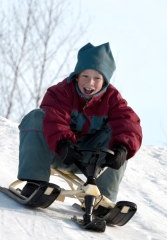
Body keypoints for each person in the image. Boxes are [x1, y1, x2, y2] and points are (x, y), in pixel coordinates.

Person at [17, 42, 142, 212]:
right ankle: (35, 183)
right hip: (60, 152)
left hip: (94, 161)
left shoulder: (113, 99)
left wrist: (122, 148)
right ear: (76, 76)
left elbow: (129, 124)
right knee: (37, 117)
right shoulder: (60, 92)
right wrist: (63, 143)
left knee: (121, 138)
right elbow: (55, 118)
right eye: (85, 76)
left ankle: (102, 201)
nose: (90, 82)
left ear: (105, 81)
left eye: (97, 78)